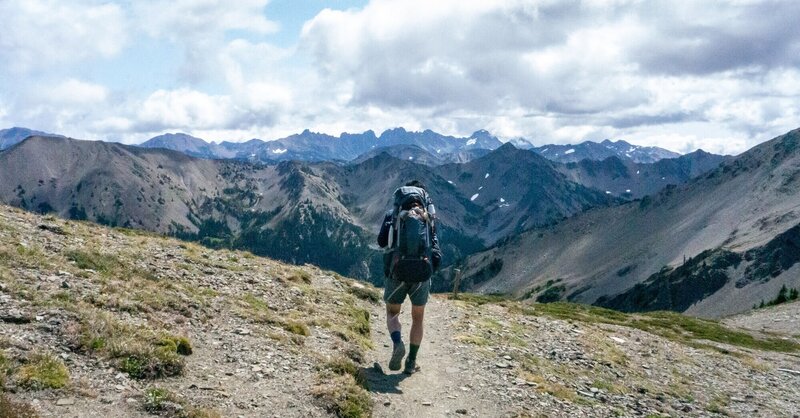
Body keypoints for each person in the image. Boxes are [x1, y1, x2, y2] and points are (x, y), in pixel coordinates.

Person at [377, 180, 442, 374]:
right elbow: (435, 249)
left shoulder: (393, 215)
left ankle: (397, 343)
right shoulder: (428, 218)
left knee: (392, 313)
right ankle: (411, 362)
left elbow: (382, 242)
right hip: (421, 274)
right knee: (418, 318)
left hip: (397, 272)